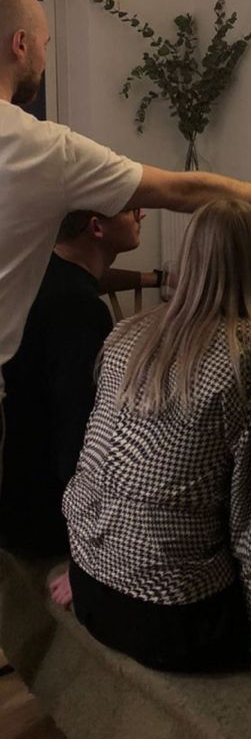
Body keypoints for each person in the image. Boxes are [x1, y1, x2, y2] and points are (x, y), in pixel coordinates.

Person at [58, 199, 251, 720]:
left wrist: (90, 559)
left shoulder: (130, 334)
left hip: (92, 587)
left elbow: (99, 463)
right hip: (174, 621)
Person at [0, 0, 251, 395]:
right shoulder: (40, 148)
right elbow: (181, 192)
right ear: (20, 44)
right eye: (45, 45)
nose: (45, 60)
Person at [0, 206, 146, 558]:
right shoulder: (77, 307)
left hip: (15, 486)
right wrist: (87, 538)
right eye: (130, 210)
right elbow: (79, 428)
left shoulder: (42, 276)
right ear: (96, 227)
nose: (141, 216)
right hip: (45, 515)